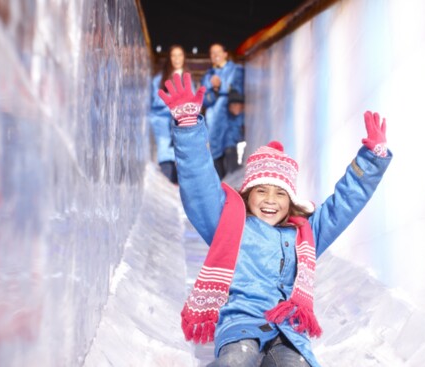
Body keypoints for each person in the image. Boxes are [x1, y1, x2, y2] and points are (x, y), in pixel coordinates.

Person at [158, 73, 392, 367]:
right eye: (261, 191)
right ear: (247, 194)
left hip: (288, 330)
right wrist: (189, 128)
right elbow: (200, 186)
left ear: (290, 199)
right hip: (241, 324)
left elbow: (341, 206)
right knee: (234, 363)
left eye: (280, 193)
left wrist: (371, 160)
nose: (270, 200)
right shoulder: (230, 225)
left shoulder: (305, 234)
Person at [148, 44, 193, 184]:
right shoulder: (160, 79)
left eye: (180, 55)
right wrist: (171, 103)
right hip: (162, 124)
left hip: (181, 125)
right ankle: (166, 189)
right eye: (173, 55)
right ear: (169, 58)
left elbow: (193, 103)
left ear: (184, 57)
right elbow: (154, 100)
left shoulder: (188, 78)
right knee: (165, 155)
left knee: (182, 158)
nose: (177, 58)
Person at [200, 43, 244, 180]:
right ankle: (221, 192)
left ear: (225, 54)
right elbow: (204, 100)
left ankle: (236, 192)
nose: (215, 55)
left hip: (231, 120)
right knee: (215, 159)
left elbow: (241, 90)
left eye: (218, 52)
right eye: (212, 53)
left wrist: (230, 95)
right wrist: (214, 90)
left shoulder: (237, 70)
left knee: (232, 153)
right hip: (213, 124)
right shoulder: (207, 76)